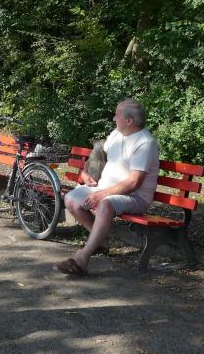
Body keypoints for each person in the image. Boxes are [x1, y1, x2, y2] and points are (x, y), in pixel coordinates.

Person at [54, 99, 159, 276]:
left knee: (105, 204)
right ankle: (101, 242)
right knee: (71, 199)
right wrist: (85, 172)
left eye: (117, 115)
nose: (113, 118)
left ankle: (81, 260)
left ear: (129, 121)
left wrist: (101, 194)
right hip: (106, 190)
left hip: (135, 197)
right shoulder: (117, 134)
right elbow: (98, 153)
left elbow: (134, 183)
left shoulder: (145, 143)